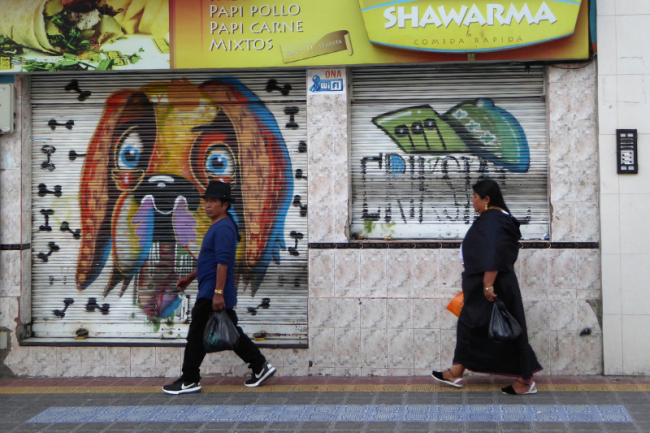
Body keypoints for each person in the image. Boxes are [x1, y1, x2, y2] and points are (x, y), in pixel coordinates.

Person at [163, 180, 275, 395]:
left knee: (196, 336)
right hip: (211, 288)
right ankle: (260, 366)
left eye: (213, 201)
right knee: (231, 334)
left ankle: (189, 379)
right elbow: (210, 261)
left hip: (213, 292)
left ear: (225, 205)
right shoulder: (219, 226)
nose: (208, 205)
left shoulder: (223, 228)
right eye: (206, 201)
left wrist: (218, 293)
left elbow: (223, 262)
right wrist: (190, 277)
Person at [431, 179, 542, 395]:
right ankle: (456, 371)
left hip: (491, 286)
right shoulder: (495, 218)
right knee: (470, 325)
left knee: (507, 329)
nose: (472, 201)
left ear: (487, 199)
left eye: (474, 196)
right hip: (483, 284)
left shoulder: (493, 220)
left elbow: (494, 251)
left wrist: (488, 285)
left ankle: (526, 380)